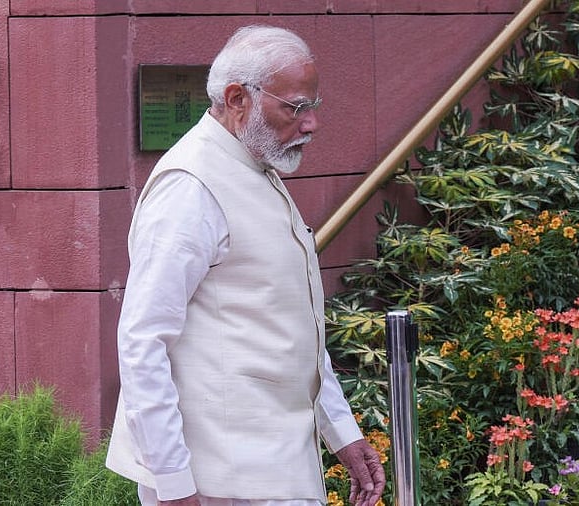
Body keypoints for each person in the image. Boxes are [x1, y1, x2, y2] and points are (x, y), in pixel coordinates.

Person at [106, 25, 386, 506]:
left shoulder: (250, 165)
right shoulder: (191, 186)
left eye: (314, 106)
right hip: (218, 484)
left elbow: (287, 322)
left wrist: (340, 430)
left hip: (268, 471)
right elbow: (142, 342)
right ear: (238, 98)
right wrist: (174, 485)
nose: (311, 123)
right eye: (297, 107)